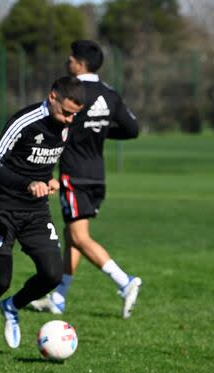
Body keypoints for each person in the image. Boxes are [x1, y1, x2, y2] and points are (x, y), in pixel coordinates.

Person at [0, 77, 85, 358]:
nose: (70, 119)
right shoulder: (25, 120)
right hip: (1, 207)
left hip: (35, 210)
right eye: (66, 112)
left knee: (52, 274)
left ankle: (12, 305)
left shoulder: (66, 126)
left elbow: (45, 160)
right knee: (0, 280)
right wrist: (27, 183)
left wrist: (51, 181)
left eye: (75, 114)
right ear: (52, 97)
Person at [30, 41, 141, 319]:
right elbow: (132, 129)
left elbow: (53, 121)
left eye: (71, 57)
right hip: (97, 176)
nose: (68, 60)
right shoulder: (110, 94)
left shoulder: (72, 93)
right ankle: (58, 297)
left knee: (79, 236)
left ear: (80, 63)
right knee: (71, 235)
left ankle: (125, 282)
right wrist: (101, 133)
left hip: (73, 175)